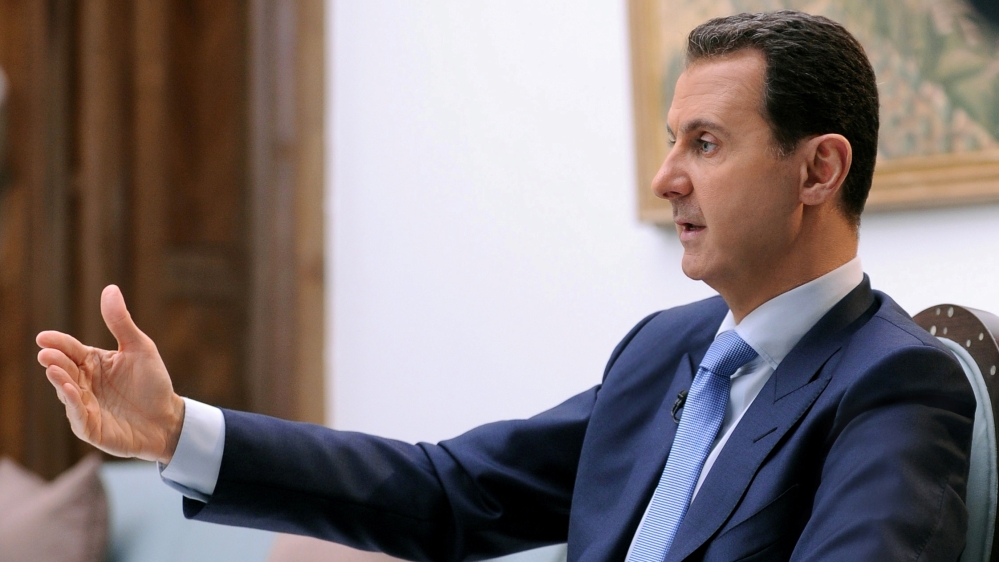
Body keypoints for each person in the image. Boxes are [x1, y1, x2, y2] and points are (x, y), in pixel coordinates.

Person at [36, 11, 974, 562]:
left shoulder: (892, 382)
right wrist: (177, 430)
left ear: (816, 171)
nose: (666, 179)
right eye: (670, 141)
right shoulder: (665, 350)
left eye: (705, 144)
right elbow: (447, 492)